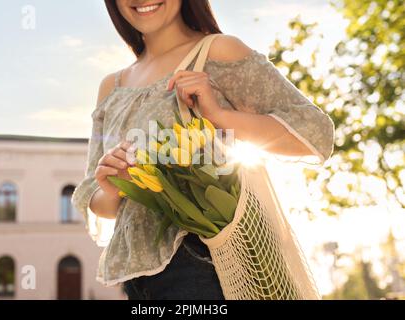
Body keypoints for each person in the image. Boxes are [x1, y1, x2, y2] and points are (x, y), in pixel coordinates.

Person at [71, 0, 335, 300]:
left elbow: (315, 132)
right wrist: (113, 186)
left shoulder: (219, 52)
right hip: (137, 282)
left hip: (207, 263)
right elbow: (93, 197)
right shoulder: (111, 87)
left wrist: (221, 117)